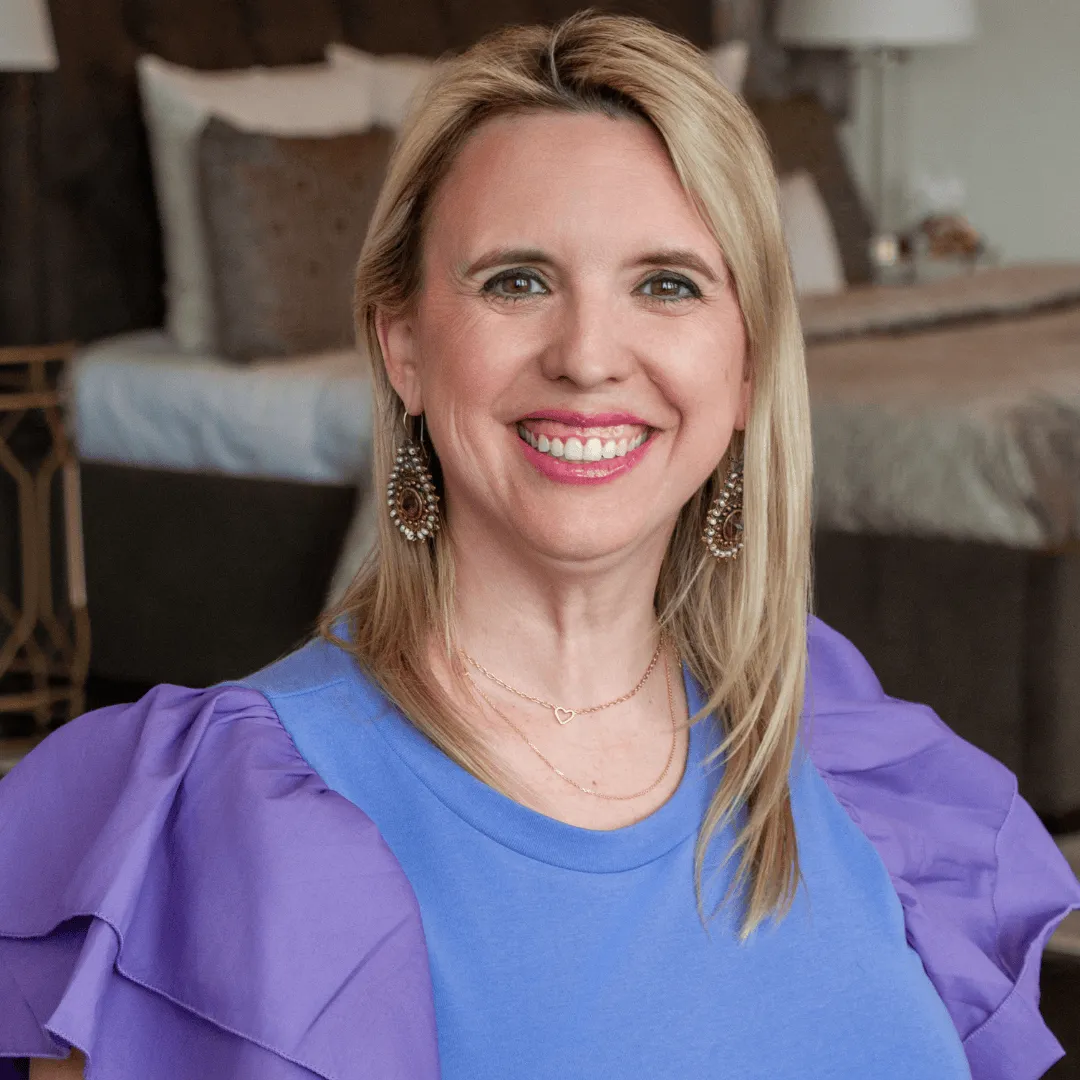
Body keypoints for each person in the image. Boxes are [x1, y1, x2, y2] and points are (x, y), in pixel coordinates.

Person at [2, 12, 1079, 1080]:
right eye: (517, 280)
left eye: (667, 283)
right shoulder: (230, 812)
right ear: (405, 344)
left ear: (748, 364)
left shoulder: (837, 733)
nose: (588, 356)